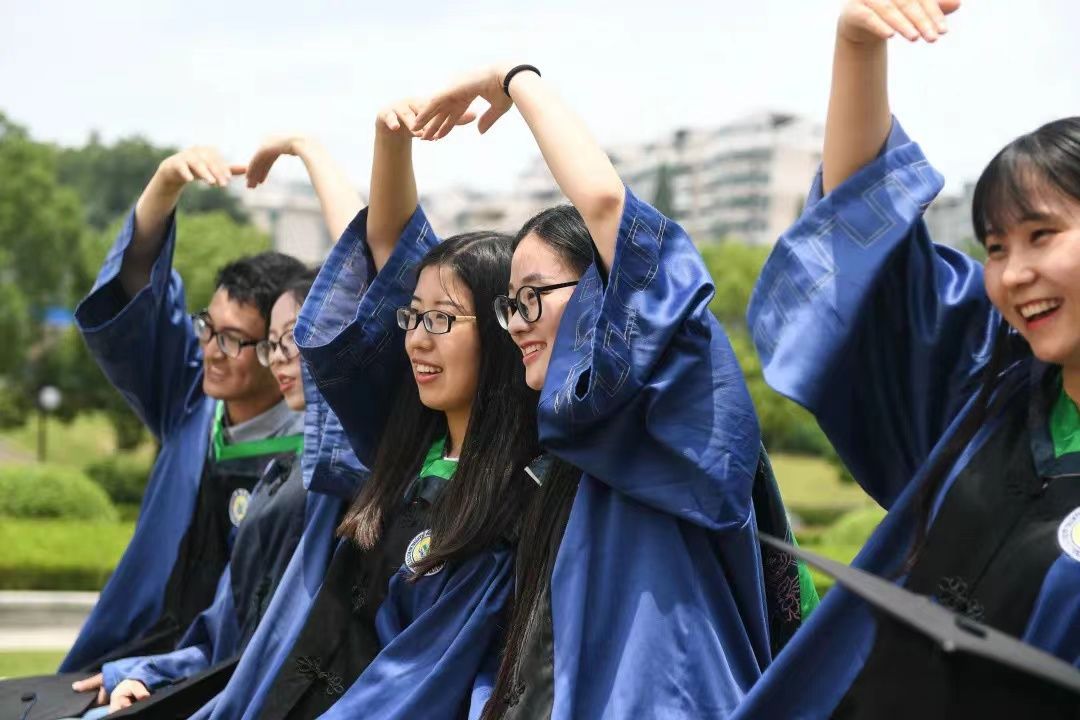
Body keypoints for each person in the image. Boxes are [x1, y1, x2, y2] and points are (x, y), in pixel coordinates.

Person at [737, 1, 1080, 716]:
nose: (1014, 273)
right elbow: (868, 250)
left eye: (1042, 235)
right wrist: (858, 45)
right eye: (996, 247)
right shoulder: (987, 391)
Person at [416, 63, 789, 718]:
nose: (518, 323)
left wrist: (514, 78)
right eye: (510, 304)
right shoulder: (567, 452)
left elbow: (608, 206)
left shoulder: (672, 403)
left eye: (535, 296)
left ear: (603, 294)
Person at [203, 100, 537, 720]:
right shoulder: (400, 445)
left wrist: (516, 80)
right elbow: (383, 250)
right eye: (415, 316)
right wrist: (390, 142)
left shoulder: (524, 493)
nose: (417, 339)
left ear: (504, 331)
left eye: (442, 319)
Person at [63, 146, 308, 679]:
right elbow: (137, 301)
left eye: (233, 339)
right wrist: (164, 186)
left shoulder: (310, 458)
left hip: (234, 671)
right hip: (136, 651)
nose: (211, 351)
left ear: (277, 348)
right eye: (207, 327)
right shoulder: (192, 403)